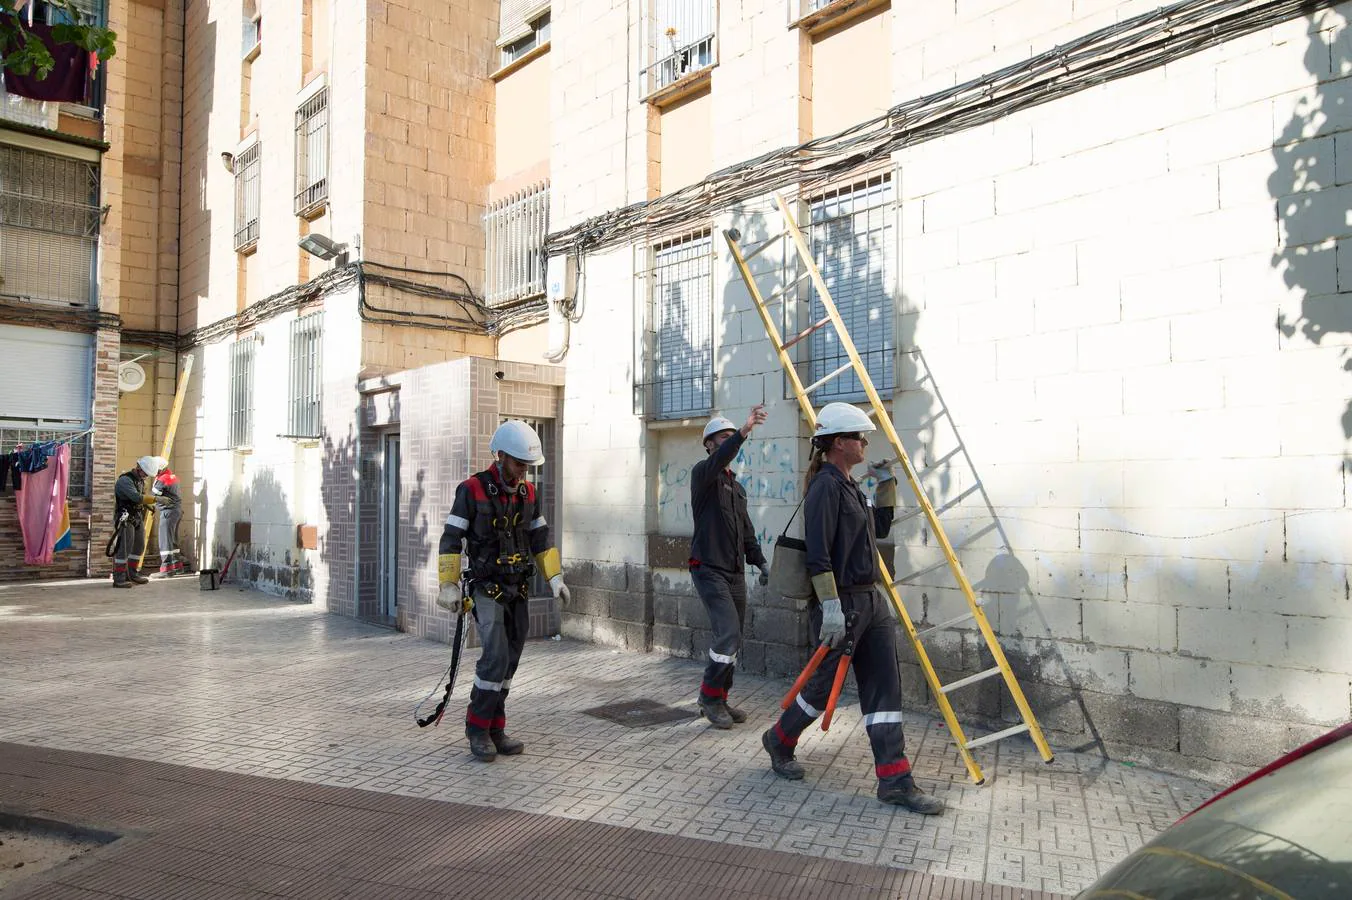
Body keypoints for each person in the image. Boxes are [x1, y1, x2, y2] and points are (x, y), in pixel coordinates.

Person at [760, 402, 944, 815]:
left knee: (884, 686)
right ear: (840, 443)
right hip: (842, 603)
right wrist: (829, 607)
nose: (865, 443)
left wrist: (885, 484)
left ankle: (894, 780)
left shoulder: (849, 485)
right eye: (860, 438)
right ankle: (780, 738)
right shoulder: (825, 487)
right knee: (821, 688)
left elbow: (877, 529)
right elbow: (818, 555)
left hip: (869, 602)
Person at [436, 420, 571, 762]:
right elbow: (451, 539)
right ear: (499, 456)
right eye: (518, 463)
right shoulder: (471, 489)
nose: (524, 471)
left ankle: (496, 727)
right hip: (487, 587)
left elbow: (540, 539)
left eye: (527, 465)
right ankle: (477, 729)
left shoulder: (529, 494)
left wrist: (555, 578)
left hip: (519, 587)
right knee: (494, 656)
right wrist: (449, 585)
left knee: (509, 661)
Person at [688, 404, 770, 728]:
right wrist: (744, 431)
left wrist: (761, 562)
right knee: (727, 633)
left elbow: (747, 530)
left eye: (730, 437)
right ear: (709, 445)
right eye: (721, 438)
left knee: (733, 639)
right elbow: (721, 459)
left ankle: (721, 698)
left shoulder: (736, 488)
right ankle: (708, 698)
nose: (727, 442)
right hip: (708, 567)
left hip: (734, 571)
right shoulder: (702, 474)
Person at [112, 455, 164, 588]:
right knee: (124, 547)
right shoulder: (125, 480)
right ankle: (119, 578)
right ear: (138, 468)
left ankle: (133, 574)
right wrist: (156, 500)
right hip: (125, 517)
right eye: (145, 473)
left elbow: (140, 498)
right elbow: (136, 497)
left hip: (136, 516)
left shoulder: (140, 480)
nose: (146, 476)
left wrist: (148, 506)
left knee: (139, 545)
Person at [152, 465, 185, 577]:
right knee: (172, 539)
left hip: (168, 512)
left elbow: (155, 493)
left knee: (165, 540)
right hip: (176, 511)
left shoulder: (163, 478)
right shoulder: (172, 476)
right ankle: (177, 565)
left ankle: (166, 569)